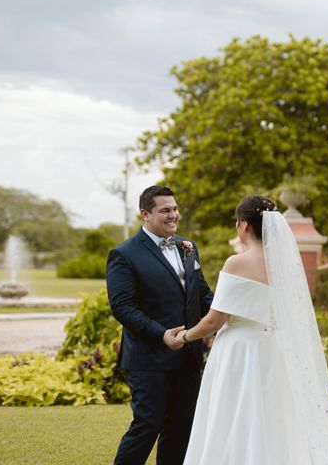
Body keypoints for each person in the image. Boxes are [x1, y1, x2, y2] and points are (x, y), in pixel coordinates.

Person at [166, 195, 328, 465]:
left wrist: (183, 337)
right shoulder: (286, 265)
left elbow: (214, 321)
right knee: (272, 418)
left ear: (244, 225)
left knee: (235, 416)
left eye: (236, 222)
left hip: (239, 350)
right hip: (272, 348)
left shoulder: (237, 262)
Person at [106, 185, 214, 465]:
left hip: (188, 356)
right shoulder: (124, 254)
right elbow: (123, 307)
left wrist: (225, 315)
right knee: (147, 425)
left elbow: (201, 293)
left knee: (181, 430)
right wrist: (161, 334)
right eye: (165, 210)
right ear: (145, 214)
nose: (173, 215)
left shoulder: (188, 248)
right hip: (148, 357)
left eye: (175, 209)